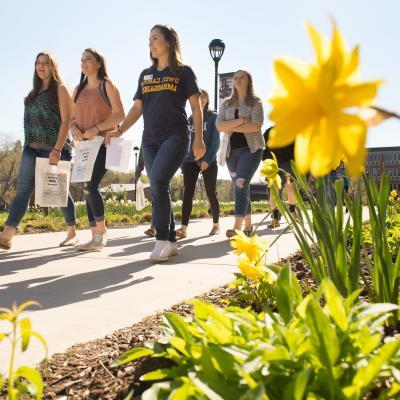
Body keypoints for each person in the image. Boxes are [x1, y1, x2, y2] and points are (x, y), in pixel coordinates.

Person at [117, 24, 205, 261]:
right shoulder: (146, 75)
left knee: (157, 180)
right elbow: (137, 109)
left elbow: (196, 107)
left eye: (155, 38)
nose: (150, 43)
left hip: (176, 136)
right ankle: (171, 242)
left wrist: (199, 139)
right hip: (149, 139)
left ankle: (163, 239)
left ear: (169, 41)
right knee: (159, 186)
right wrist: (119, 130)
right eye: (149, 39)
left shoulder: (183, 72)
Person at [0, 52, 77, 251]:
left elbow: (67, 121)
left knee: (59, 193)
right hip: (31, 149)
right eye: (38, 63)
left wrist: (57, 149)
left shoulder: (60, 89)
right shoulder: (34, 93)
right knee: (23, 192)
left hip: (54, 149)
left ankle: (71, 231)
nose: (41, 66)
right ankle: (7, 234)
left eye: (46, 63)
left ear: (53, 67)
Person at [70, 48, 125, 251]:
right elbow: (70, 118)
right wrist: (73, 128)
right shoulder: (78, 89)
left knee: (91, 184)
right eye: (81, 59)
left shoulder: (107, 85)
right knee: (86, 187)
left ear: (99, 63)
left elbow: (120, 115)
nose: (84, 63)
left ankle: (101, 234)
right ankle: (95, 237)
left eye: (88, 59)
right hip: (84, 147)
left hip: (104, 144)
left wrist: (96, 128)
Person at [216, 69, 264, 238]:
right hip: (231, 152)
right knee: (243, 187)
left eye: (241, 77)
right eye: (235, 77)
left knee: (240, 184)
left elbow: (256, 126)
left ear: (248, 81)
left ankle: (237, 228)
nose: (237, 79)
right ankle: (249, 227)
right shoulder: (226, 104)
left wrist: (231, 125)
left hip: (251, 150)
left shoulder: (255, 102)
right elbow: (219, 126)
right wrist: (241, 121)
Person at [176, 89, 220, 238]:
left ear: (207, 99)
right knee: (188, 193)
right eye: (197, 98)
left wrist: (207, 159)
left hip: (209, 160)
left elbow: (215, 142)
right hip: (190, 160)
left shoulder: (213, 117)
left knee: (210, 192)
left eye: (203, 98)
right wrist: (183, 163)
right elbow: (186, 142)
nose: (200, 101)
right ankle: (183, 228)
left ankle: (215, 225)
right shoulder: (190, 119)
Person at [263, 126, 297, 228]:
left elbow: (263, 147)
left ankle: (276, 219)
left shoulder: (269, 131)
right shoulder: (292, 130)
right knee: (290, 190)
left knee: (274, 193)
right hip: (288, 163)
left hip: (273, 164)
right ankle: (293, 212)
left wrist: (264, 159)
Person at [134, 145, 156, 237]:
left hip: (165, 162)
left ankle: (163, 228)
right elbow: (144, 143)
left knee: (162, 193)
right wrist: (139, 167)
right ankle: (154, 227)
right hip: (151, 166)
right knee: (156, 195)